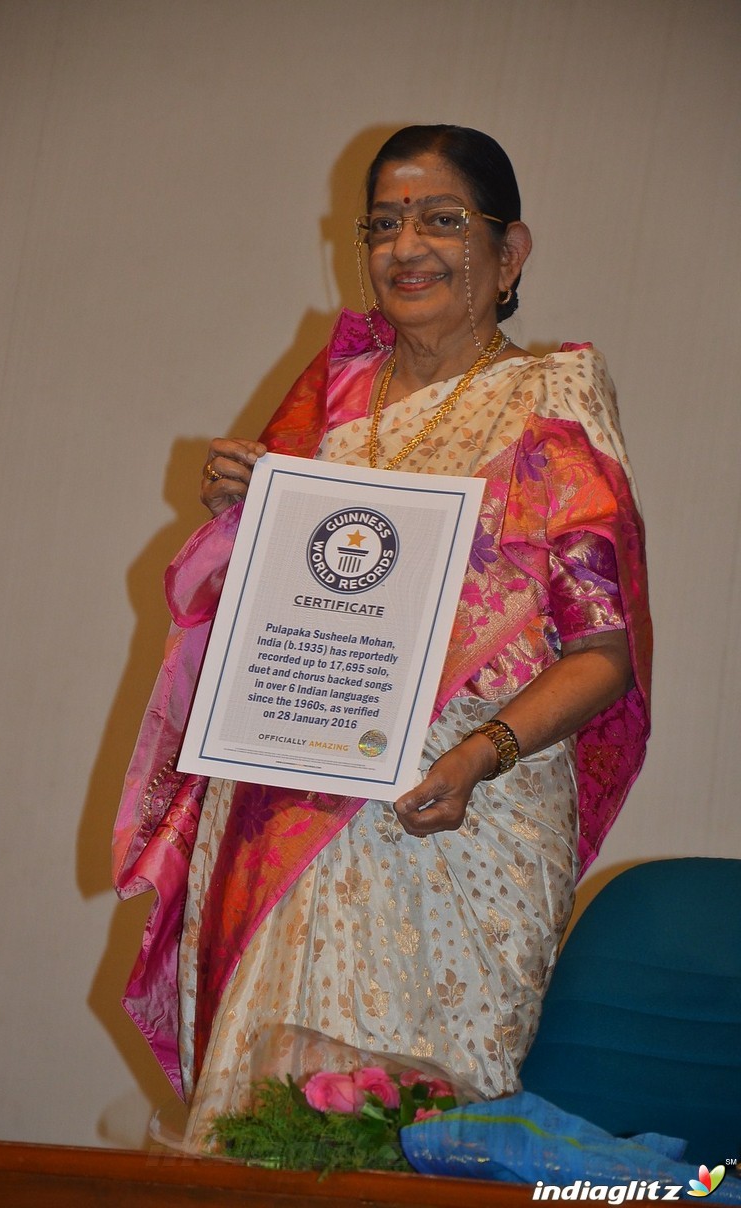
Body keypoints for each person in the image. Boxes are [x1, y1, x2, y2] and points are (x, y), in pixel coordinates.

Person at [112, 125, 652, 1150]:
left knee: (417, 1126)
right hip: (292, 801)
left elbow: (602, 649)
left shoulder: (549, 410)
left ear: (510, 252)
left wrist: (473, 754)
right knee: (268, 1124)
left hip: (458, 815)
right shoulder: (333, 398)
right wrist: (241, 513)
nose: (407, 245)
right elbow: (263, 611)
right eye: (384, 222)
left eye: (442, 219)